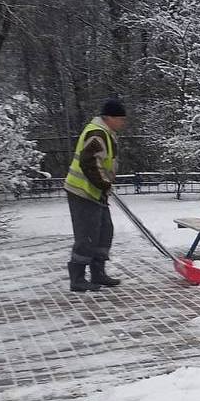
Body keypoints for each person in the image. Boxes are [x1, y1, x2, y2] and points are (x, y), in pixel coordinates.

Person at [62, 99, 126, 291]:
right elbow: (89, 162)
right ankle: (77, 278)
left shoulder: (106, 133)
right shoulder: (97, 133)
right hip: (83, 191)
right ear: (109, 117)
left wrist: (104, 186)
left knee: (105, 232)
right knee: (87, 236)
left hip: (96, 192)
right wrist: (104, 184)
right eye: (120, 119)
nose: (122, 122)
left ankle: (98, 272)